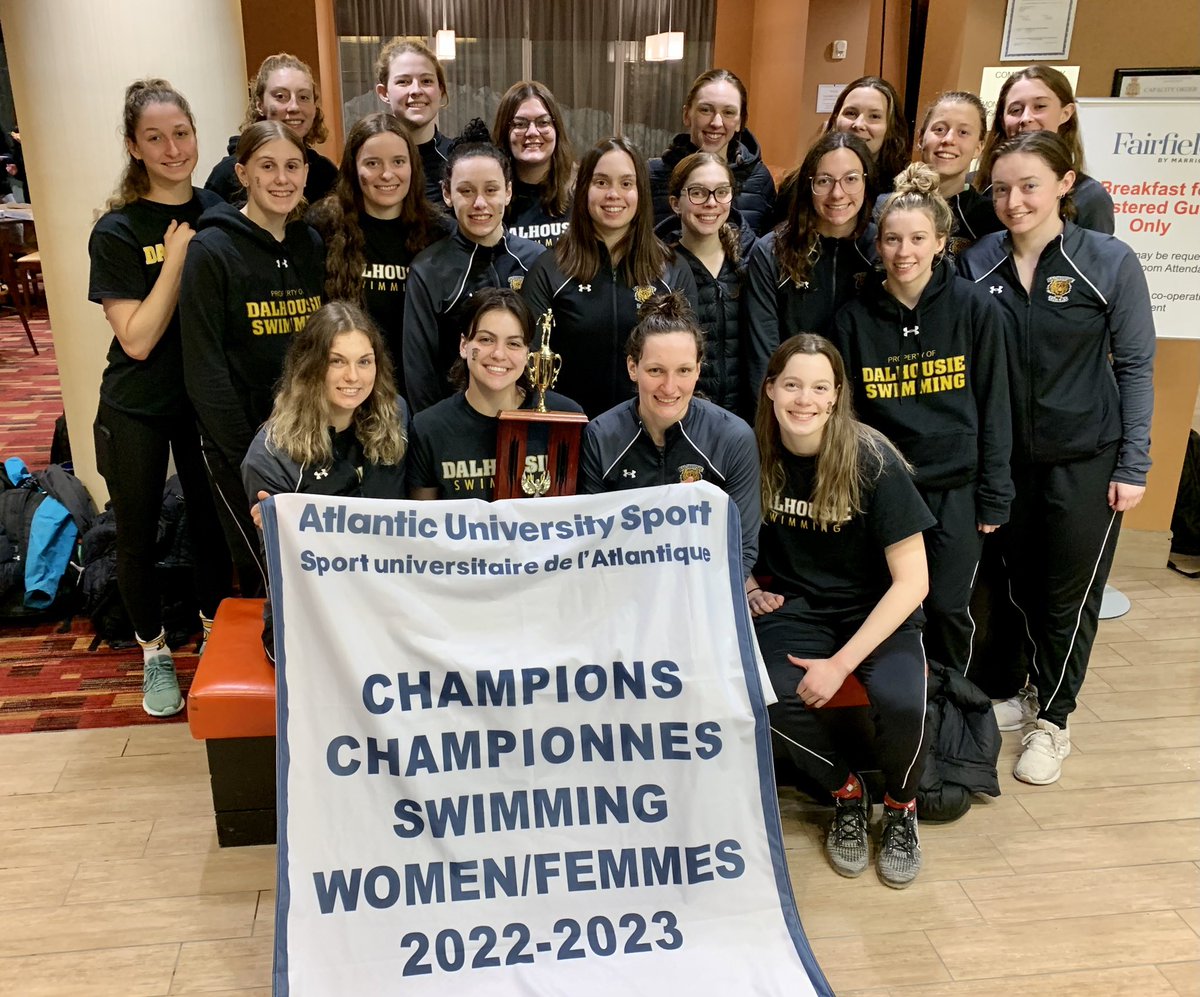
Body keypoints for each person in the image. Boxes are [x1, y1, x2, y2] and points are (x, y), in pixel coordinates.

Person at [960, 131, 1154, 784]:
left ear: (1065, 184)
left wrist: (1133, 463)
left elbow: (1135, 366)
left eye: (1030, 185)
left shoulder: (1108, 262)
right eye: (1003, 188)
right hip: (1005, 460)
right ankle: (1021, 691)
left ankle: (1056, 719)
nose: (1014, 200)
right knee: (1013, 584)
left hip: (1087, 459)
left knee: (1068, 597)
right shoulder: (977, 262)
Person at [749, 334, 934, 889]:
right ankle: (845, 793)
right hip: (799, 608)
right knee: (761, 690)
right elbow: (720, 535)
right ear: (770, 390)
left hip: (876, 611)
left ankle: (901, 807)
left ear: (835, 397)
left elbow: (913, 582)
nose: (804, 399)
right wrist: (748, 581)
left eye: (819, 388)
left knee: (902, 699)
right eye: (792, 385)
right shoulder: (750, 451)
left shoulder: (872, 458)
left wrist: (840, 664)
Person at [833, 162, 1012, 677]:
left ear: (940, 242)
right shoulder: (853, 318)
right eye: (891, 239)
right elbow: (849, 419)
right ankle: (906, 711)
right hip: (887, 490)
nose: (903, 252)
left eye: (916, 238)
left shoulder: (975, 309)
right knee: (894, 608)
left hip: (958, 488)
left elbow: (994, 404)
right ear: (877, 244)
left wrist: (995, 493)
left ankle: (954, 707)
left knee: (950, 608)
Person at [87, 79, 232, 717]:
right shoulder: (117, 230)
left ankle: (208, 633)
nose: (173, 148)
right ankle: (153, 653)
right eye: (155, 137)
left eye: (181, 132)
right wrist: (177, 256)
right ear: (133, 146)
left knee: (210, 527)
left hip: (201, 401)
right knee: (137, 534)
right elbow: (139, 339)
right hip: (137, 404)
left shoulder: (221, 209)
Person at [181, 120, 325, 597]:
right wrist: (250, 456)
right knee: (265, 574)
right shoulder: (211, 249)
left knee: (312, 567)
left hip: (305, 435)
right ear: (242, 174)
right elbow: (205, 369)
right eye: (267, 167)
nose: (281, 179)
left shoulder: (310, 245)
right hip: (239, 445)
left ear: (306, 173)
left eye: (291, 166)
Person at [243, 301, 408, 660]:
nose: (354, 376)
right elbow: (284, 575)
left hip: (386, 596)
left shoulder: (395, 415)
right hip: (310, 612)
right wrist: (281, 533)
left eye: (364, 361)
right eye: (337, 361)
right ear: (310, 365)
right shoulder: (270, 454)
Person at [580, 292, 760, 578]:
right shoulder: (601, 436)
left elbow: (741, 550)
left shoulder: (733, 438)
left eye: (684, 370)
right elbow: (590, 544)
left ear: (698, 370)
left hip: (702, 594)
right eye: (655, 370)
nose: (669, 386)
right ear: (632, 368)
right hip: (623, 594)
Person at [521, 137, 697, 418]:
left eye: (626, 184)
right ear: (583, 190)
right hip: (570, 431)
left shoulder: (672, 270)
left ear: (641, 191)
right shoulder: (549, 270)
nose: (613, 194)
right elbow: (529, 368)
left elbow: (688, 363)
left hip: (648, 436)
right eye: (601, 182)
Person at [402, 120, 546, 412]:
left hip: (526, 421)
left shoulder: (537, 261)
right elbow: (420, 372)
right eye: (466, 191)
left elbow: (545, 350)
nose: (479, 202)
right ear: (447, 193)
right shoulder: (428, 269)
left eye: (491, 190)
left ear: (508, 192)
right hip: (453, 429)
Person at [307, 112, 447, 386]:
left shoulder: (439, 232)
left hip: (418, 390)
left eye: (398, 162)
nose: (387, 174)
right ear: (352, 167)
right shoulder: (323, 225)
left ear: (413, 167)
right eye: (372, 163)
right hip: (346, 388)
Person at [408, 288, 583, 500]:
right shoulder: (429, 428)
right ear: (464, 346)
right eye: (486, 340)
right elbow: (424, 525)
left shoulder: (565, 418)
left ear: (527, 352)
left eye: (513, 344)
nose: (499, 354)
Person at [744, 132, 876, 399]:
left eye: (851, 179)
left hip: (864, 413)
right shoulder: (772, 252)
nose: (837, 193)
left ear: (866, 183)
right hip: (793, 406)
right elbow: (763, 359)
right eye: (824, 181)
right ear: (809, 185)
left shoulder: (883, 250)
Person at [657, 151, 755, 416]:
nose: (711, 203)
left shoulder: (750, 260)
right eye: (698, 193)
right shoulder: (660, 269)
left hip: (746, 415)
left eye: (721, 192)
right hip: (685, 413)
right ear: (676, 203)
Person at [976, 65, 1115, 234]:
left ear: (1066, 113)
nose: (1026, 118)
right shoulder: (980, 187)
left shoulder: (1090, 196)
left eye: (1040, 106)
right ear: (1002, 119)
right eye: (1015, 110)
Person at [647, 68, 776, 236]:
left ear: (740, 122)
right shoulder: (653, 175)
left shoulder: (759, 179)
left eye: (728, 112)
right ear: (687, 114)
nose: (716, 122)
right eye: (706, 110)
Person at [204, 53, 337, 206]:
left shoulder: (326, 174)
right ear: (259, 105)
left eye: (304, 97)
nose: (294, 107)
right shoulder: (227, 174)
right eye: (281, 96)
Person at [915, 90, 1002, 257]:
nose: (949, 139)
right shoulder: (888, 205)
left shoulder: (990, 219)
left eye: (963, 132)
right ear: (920, 138)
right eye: (939, 129)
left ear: (979, 147)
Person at [491, 81, 575, 248]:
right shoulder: (491, 196)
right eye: (520, 124)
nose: (532, 132)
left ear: (556, 127)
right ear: (504, 132)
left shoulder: (580, 189)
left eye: (543, 122)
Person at [376, 38, 452, 207]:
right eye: (403, 82)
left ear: (440, 90)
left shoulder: (459, 159)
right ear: (384, 92)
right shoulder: (369, 161)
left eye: (426, 81)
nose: (416, 90)